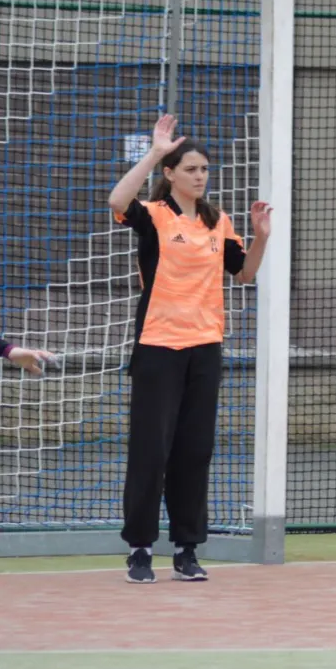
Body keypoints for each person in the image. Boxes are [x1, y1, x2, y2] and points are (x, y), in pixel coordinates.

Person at [108, 114, 272, 584]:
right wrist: (154, 152)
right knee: (150, 451)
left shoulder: (218, 221)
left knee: (194, 450)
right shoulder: (155, 216)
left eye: (205, 169)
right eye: (191, 169)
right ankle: (140, 549)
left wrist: (261, 237)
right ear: (171, 174)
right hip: (158, 348)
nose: (200, 176)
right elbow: (117, 201)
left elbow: (244, 274)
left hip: (205, 349)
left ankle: (187, 548)